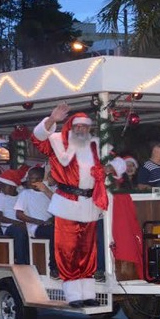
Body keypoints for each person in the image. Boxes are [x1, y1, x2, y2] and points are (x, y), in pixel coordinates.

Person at [31, 104, 112, 307]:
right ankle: (74, 294)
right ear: (71, 127)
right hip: (67, 204)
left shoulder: (94, 146)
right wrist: (51, 119)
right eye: (78, 126)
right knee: (67, 250)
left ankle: (88, 293)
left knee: (87, 251)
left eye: (86, 127)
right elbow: (37, 139)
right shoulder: (57, 142)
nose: (82, 130)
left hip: (89, 205)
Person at [14, 167, 57, 277]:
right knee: (54, 233)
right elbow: (19, 214)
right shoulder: (25, 194)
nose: (32, 182)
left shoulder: (51, 192)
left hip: (51, 224)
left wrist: (51, 219)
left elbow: (58, 210)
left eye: (36, 179)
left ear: (43, 179)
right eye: (30, 179)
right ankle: (54, 267)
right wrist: (39, 222)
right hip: (35, 227)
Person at [0, 169, 27, 264]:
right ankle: (21, 262)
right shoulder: (1, 196)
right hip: (8, 227)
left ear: (12, 186)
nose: (2, 188)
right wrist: (17, 222)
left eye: (4, 186)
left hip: (22, 224)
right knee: (19, 231)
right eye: (1, 186)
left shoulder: (21, 195)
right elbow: (0, 217)